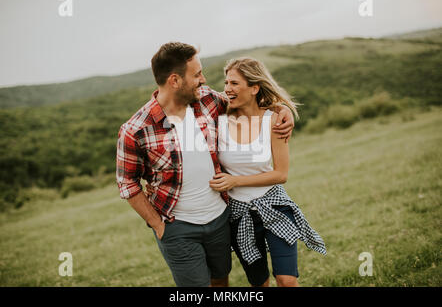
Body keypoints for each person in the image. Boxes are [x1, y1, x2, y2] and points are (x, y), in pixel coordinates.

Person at [116, 42, 295, 287]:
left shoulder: (208, 101)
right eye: (197, 74)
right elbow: (127, 183)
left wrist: (281, 109)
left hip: (220, 218)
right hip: (177, 227)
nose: (203, 79)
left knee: (221, 282)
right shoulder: (135, 130)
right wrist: (158, 225)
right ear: (175, 81)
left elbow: (248, 103)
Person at [209, 57, 326, 287]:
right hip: (239, 216)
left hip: (274, 206)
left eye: (234, 83)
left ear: (254, 88)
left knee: (286, 280)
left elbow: (281, 174)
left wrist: (235, 180)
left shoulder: (273, 121)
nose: (227, 89)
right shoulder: (218, 123)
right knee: (260, 285)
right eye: (226, 83)